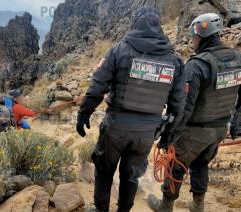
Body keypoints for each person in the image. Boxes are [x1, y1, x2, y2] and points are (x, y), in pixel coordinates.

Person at [76, 7, 186, 212]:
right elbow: (178, 104)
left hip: (116, 127)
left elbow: (98, 84)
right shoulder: (174, 61)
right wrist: (168, 136)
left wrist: (84, 113)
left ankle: (101, 210)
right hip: (146, 133)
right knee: (131, 176)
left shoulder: (120, 50)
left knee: (104, 170)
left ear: (136, 25)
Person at [148, 13, 241, 212]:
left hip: (194, 131)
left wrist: (169, 134)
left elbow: (184, 106)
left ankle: (166, 206)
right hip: (218, 130)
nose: (192, 41)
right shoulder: (237, 58)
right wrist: (236, 123)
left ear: (200, 35)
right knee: (201, 164)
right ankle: (198, 205)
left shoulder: (196, 65)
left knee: (176, 166)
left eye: (193, 37)